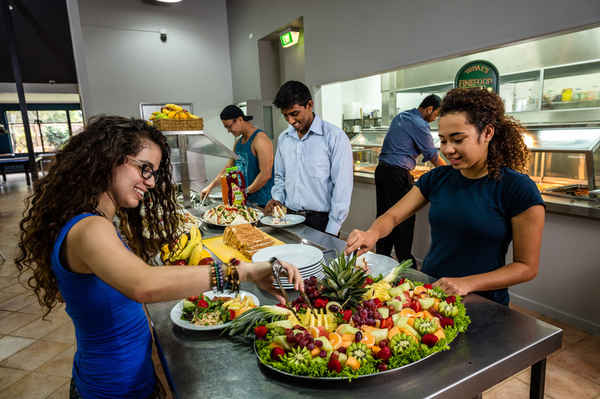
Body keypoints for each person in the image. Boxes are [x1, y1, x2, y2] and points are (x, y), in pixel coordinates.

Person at [15, 116, 304, 399]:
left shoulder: (95, 222)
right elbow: (143, 283)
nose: (150, 182)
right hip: (110, 390)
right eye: (144, 169)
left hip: (129, 383)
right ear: (109, 158)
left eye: (152, 172)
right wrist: (246, 272)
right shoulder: (90, 228)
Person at [345, 88, 545, 306]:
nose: (447, 150)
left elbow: (526, 266)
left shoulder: (518, 189)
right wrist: (371, 233)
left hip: (482, 301)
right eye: (442, 140)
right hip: (430, 291)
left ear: (487, 133)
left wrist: (468, 283)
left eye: (458, 139)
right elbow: (392, 216)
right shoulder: (438, 178)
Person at [265, 81, 353, 235]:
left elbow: (342, 187)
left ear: (309, 105)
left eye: (294, 113)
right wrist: (277, 198)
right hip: (288, 218)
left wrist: (332, 229)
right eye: (285, 115)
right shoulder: (284, 138)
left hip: (321, 222)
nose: (290, 121)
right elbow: (280, 176)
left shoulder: (334, 137)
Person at [376, 94, 446, 263]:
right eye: (436, 114)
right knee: (404, 219)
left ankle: (381, 259)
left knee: (385, 214)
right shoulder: (420, 124)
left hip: (382, 171)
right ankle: (405, 263)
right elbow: (432, 155)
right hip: (397, 174)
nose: (435, 119)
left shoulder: (402, 116)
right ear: (429, 109)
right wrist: (451, 173)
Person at [201, 105, 274, 207]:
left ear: (240, 119)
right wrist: (210, 186)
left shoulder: (260, 140)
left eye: (229, 126)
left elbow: (265, 174)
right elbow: (229, 168)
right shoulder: (238, 143)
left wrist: (245, 192)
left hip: (263, 204)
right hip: (246, 201)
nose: (228, 131)